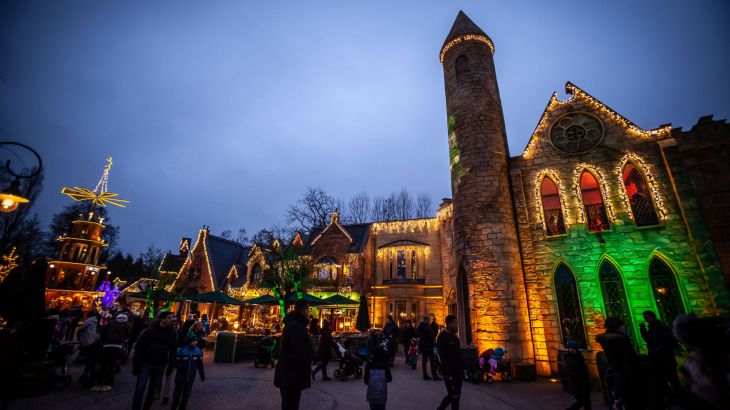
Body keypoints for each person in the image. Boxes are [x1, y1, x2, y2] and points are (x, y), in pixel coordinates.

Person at [596, 317, 647, 410]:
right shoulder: (619, 340)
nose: (624, 328)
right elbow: (628, 358)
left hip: (619, 376)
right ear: (618, 327)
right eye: (623, 326)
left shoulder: (609, 340)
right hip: (629, 376)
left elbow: (599, 337)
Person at [132, 310, 178, 410]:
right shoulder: (150, 331)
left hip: (160, 365)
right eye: (169, 318)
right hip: (146, 363)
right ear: (162, 319)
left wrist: (171, 363)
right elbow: (140, 347)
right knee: (140, 389)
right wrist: (136, 363)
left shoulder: (172, 334)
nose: (171, 320)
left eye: (172, 318)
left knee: (152, 391)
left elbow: (173, 349)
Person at [274, 300, 313, 410]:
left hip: (288, 374)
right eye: (308, 309)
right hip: (292, 375)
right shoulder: (297, 327)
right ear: (304, 310)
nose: (308, 312)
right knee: (291, 404)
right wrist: (305, 369)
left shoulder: (292, 324)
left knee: (288, 404)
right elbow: (298, 352)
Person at [639, 310, 680, 407]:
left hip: (666, 360)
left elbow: (673, 344)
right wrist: (643, 331)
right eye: (645, 318)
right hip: (656, 361)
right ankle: (670, 401)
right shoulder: (652, 329)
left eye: (646, 318)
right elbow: (649, 341)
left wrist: (660, 348)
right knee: (662, 383)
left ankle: (680, 401)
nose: (645, 320)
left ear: (652, 317)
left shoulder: (662, 328)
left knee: (674, 381)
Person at [93, 312, 129, 392]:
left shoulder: (111, 323)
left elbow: (102, 333)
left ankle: (99, 382)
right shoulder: (126, 325)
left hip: (106, 344)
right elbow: (127, 336)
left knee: (104, 363)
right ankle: (108, 383)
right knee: (112, 364)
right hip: (117, 346)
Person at [171, 333, 205, 410]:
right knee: (177, 394)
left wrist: (202, 374)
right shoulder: (182, 351)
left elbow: (200, 364)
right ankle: (174, 406)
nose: (195, 342)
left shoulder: (198, 351)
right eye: (193, 341)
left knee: (186, 395)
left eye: (196, 340)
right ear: (188, 341)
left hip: (191, 377)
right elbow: (175, 362)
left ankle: (182, 407)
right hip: (180, 377)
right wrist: (179, 366)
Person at [436, 315, 463, 410]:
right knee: (453, 394)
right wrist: (447, 373)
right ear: (449, 324)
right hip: (449, 372)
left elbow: (458, 354)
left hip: (458, 371)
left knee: (457, 394)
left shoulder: (455, 337)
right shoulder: (442, 337)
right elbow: (442, 357)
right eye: (455, 323)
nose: (457, 325)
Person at [558, 340, 591, 410]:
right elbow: (571, 372)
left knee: (586, 401)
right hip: (577, 383)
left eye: (572, 348)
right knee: (582, 401)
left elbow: (584, 368)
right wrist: (579, 380)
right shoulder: (569, 358)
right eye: (569, 348)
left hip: (584, 382)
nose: (571, 350)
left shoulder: (579, 356)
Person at [364, 337, 392, 410]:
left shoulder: (369, 364)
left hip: (372, 394)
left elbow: (366, 381)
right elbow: (389, 379)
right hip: (382, 395)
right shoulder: (385, 365)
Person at [77, 310, 100, 387]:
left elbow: (81, 328)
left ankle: (86, 375)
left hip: (88, 340)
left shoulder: (89, 320)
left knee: (89, 359)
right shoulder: (96, 321)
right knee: (92, 360)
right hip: (94, 341)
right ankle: (89, 375)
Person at [416, 315, 440, 381]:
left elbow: (417, 333)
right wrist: (434, 344)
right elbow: (430, 336)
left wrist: (421, 338)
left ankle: (425, 375)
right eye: (429, 319)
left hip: (424, 345)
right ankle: (434, 376)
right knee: (432, 360)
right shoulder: (426, 326)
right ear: (426, 319)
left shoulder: (421, 326)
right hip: (428, 346)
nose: (429, 320)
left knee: (425, 360)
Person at [161, 317, 179, 404]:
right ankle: (157, 391)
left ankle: (166, 395)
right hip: (161, 357)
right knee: (159, 376)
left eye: (176, 322)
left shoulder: (177, 332)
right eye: (173, 322)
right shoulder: (165, 332)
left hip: (171, 358)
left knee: (168, 377)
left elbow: (177, 346)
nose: (174, 324)